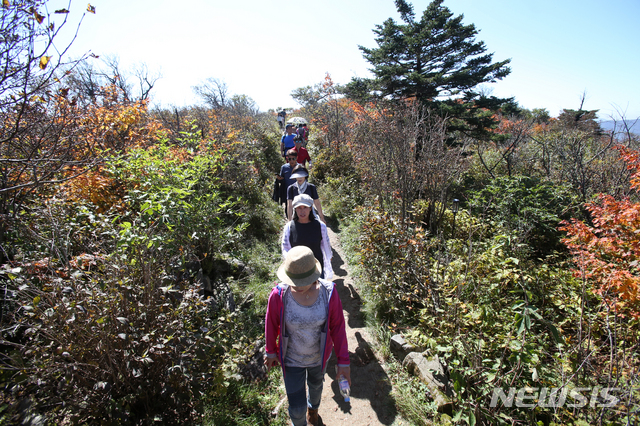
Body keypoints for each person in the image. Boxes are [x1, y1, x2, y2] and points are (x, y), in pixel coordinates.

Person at [264, 245, 350, 426]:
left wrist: (343, 362)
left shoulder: (329, 293)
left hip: (319, 358)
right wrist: (270, 351)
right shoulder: (279, 295)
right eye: (291, 280)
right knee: (296, 408)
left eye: (298, 281)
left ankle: (314, 409)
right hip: (291, 359)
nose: (293, 285)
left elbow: (338, 328)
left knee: (316, 387)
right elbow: (271, 323)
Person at [282, 194, 333, 280]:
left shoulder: (320, 226)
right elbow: (285, 248)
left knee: (317, 292)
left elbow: (325, 245)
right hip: (297, 271)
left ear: (310, 208)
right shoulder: (289, 227)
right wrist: (292, 262)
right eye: (299, 208)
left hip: (316, 268)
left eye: (305, 207)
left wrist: (329, 257)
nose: (302, 211)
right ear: (295, 209)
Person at [275, 149, 300, 216]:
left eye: (293, 158)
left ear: (297, 158)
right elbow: (281, 179)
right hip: (287, 192)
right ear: (287, 158)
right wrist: (279, 179)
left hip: (298, 192)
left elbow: (305, 180)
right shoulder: (284, 167)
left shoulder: (300, 167)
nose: (291, 161)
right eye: (289, 159)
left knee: (298, 210)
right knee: (288, 210)